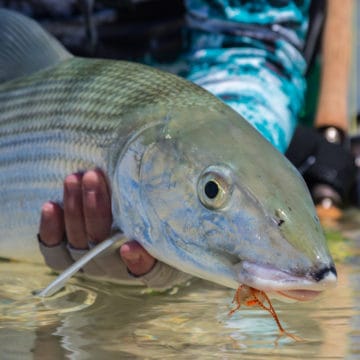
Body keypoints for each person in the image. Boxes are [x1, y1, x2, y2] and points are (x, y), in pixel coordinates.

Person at [30, 0, 354, 288]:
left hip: (199, 108)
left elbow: (248, 39)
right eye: (211, 190)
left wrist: (188, 256)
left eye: (211, 191)